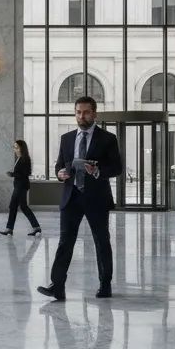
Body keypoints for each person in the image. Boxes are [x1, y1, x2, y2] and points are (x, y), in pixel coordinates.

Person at [36, 96, 121, 302]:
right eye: (78, 112)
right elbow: (59, 166)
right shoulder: (67, 138)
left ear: (94, 114)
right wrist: (60, 174)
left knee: (102, 242)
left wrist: (98, 170)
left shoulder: (108, 139)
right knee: (65, 242)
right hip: (71, 196)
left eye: (86, 112)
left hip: (96, 198)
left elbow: (117, 168)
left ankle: (105, 284)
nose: (81, 116)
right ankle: (57, 286)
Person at [0, 139, 42, 237]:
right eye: (14, 147)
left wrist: (12, 174)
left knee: (13, 206)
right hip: (19, 185)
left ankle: (9, 229)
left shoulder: (25, 158)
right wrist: (14, 174)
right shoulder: (19, 158)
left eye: (16, 147)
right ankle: (36, 227)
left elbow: (26, 173)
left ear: (21, 148)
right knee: (23, 207)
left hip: (21, 186)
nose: (15, 149)